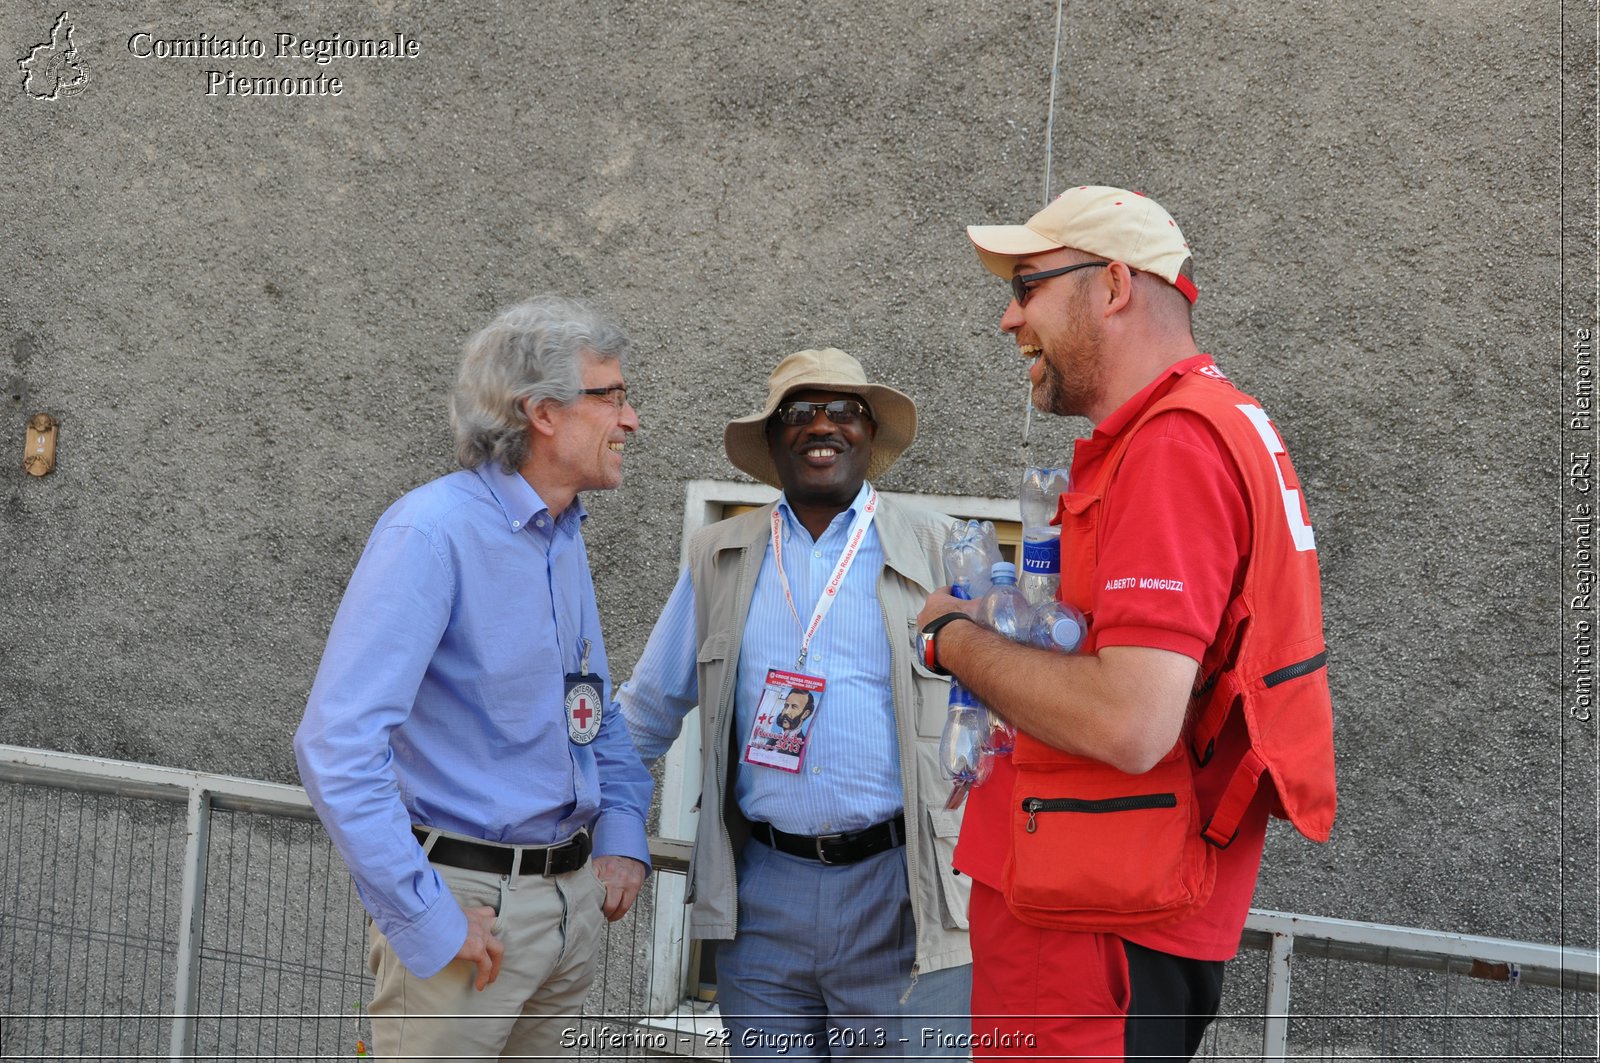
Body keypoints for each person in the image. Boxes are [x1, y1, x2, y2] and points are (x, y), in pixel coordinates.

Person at [915, 186, 1336, 1061]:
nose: (1008, 318)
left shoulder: (1171, 444)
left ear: (1111, 286)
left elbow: (1131, 718)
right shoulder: (1209, 424)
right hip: (1107, 912)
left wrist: (955, 638)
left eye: (1027, 285)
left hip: (1091, 930)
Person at [293, 295, 653, 1062]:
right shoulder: (431, 533)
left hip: (567, 906)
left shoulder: (562, 532)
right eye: (613, 395)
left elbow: (591, 707)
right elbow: (335, 745)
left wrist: (621, 832)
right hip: (467, 912)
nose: (631, 419)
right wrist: (427, 916)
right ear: (542, 412)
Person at [619, 348, 973, 1058]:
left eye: (846, 411)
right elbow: (645, 712)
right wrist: (594, 826)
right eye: (802, 411)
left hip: (903, 889)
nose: (825, 426)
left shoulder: (940, 545)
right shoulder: (721, 553)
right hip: (762, 894)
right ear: (774, 438)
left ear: (870, 436)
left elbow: (1002, 715)